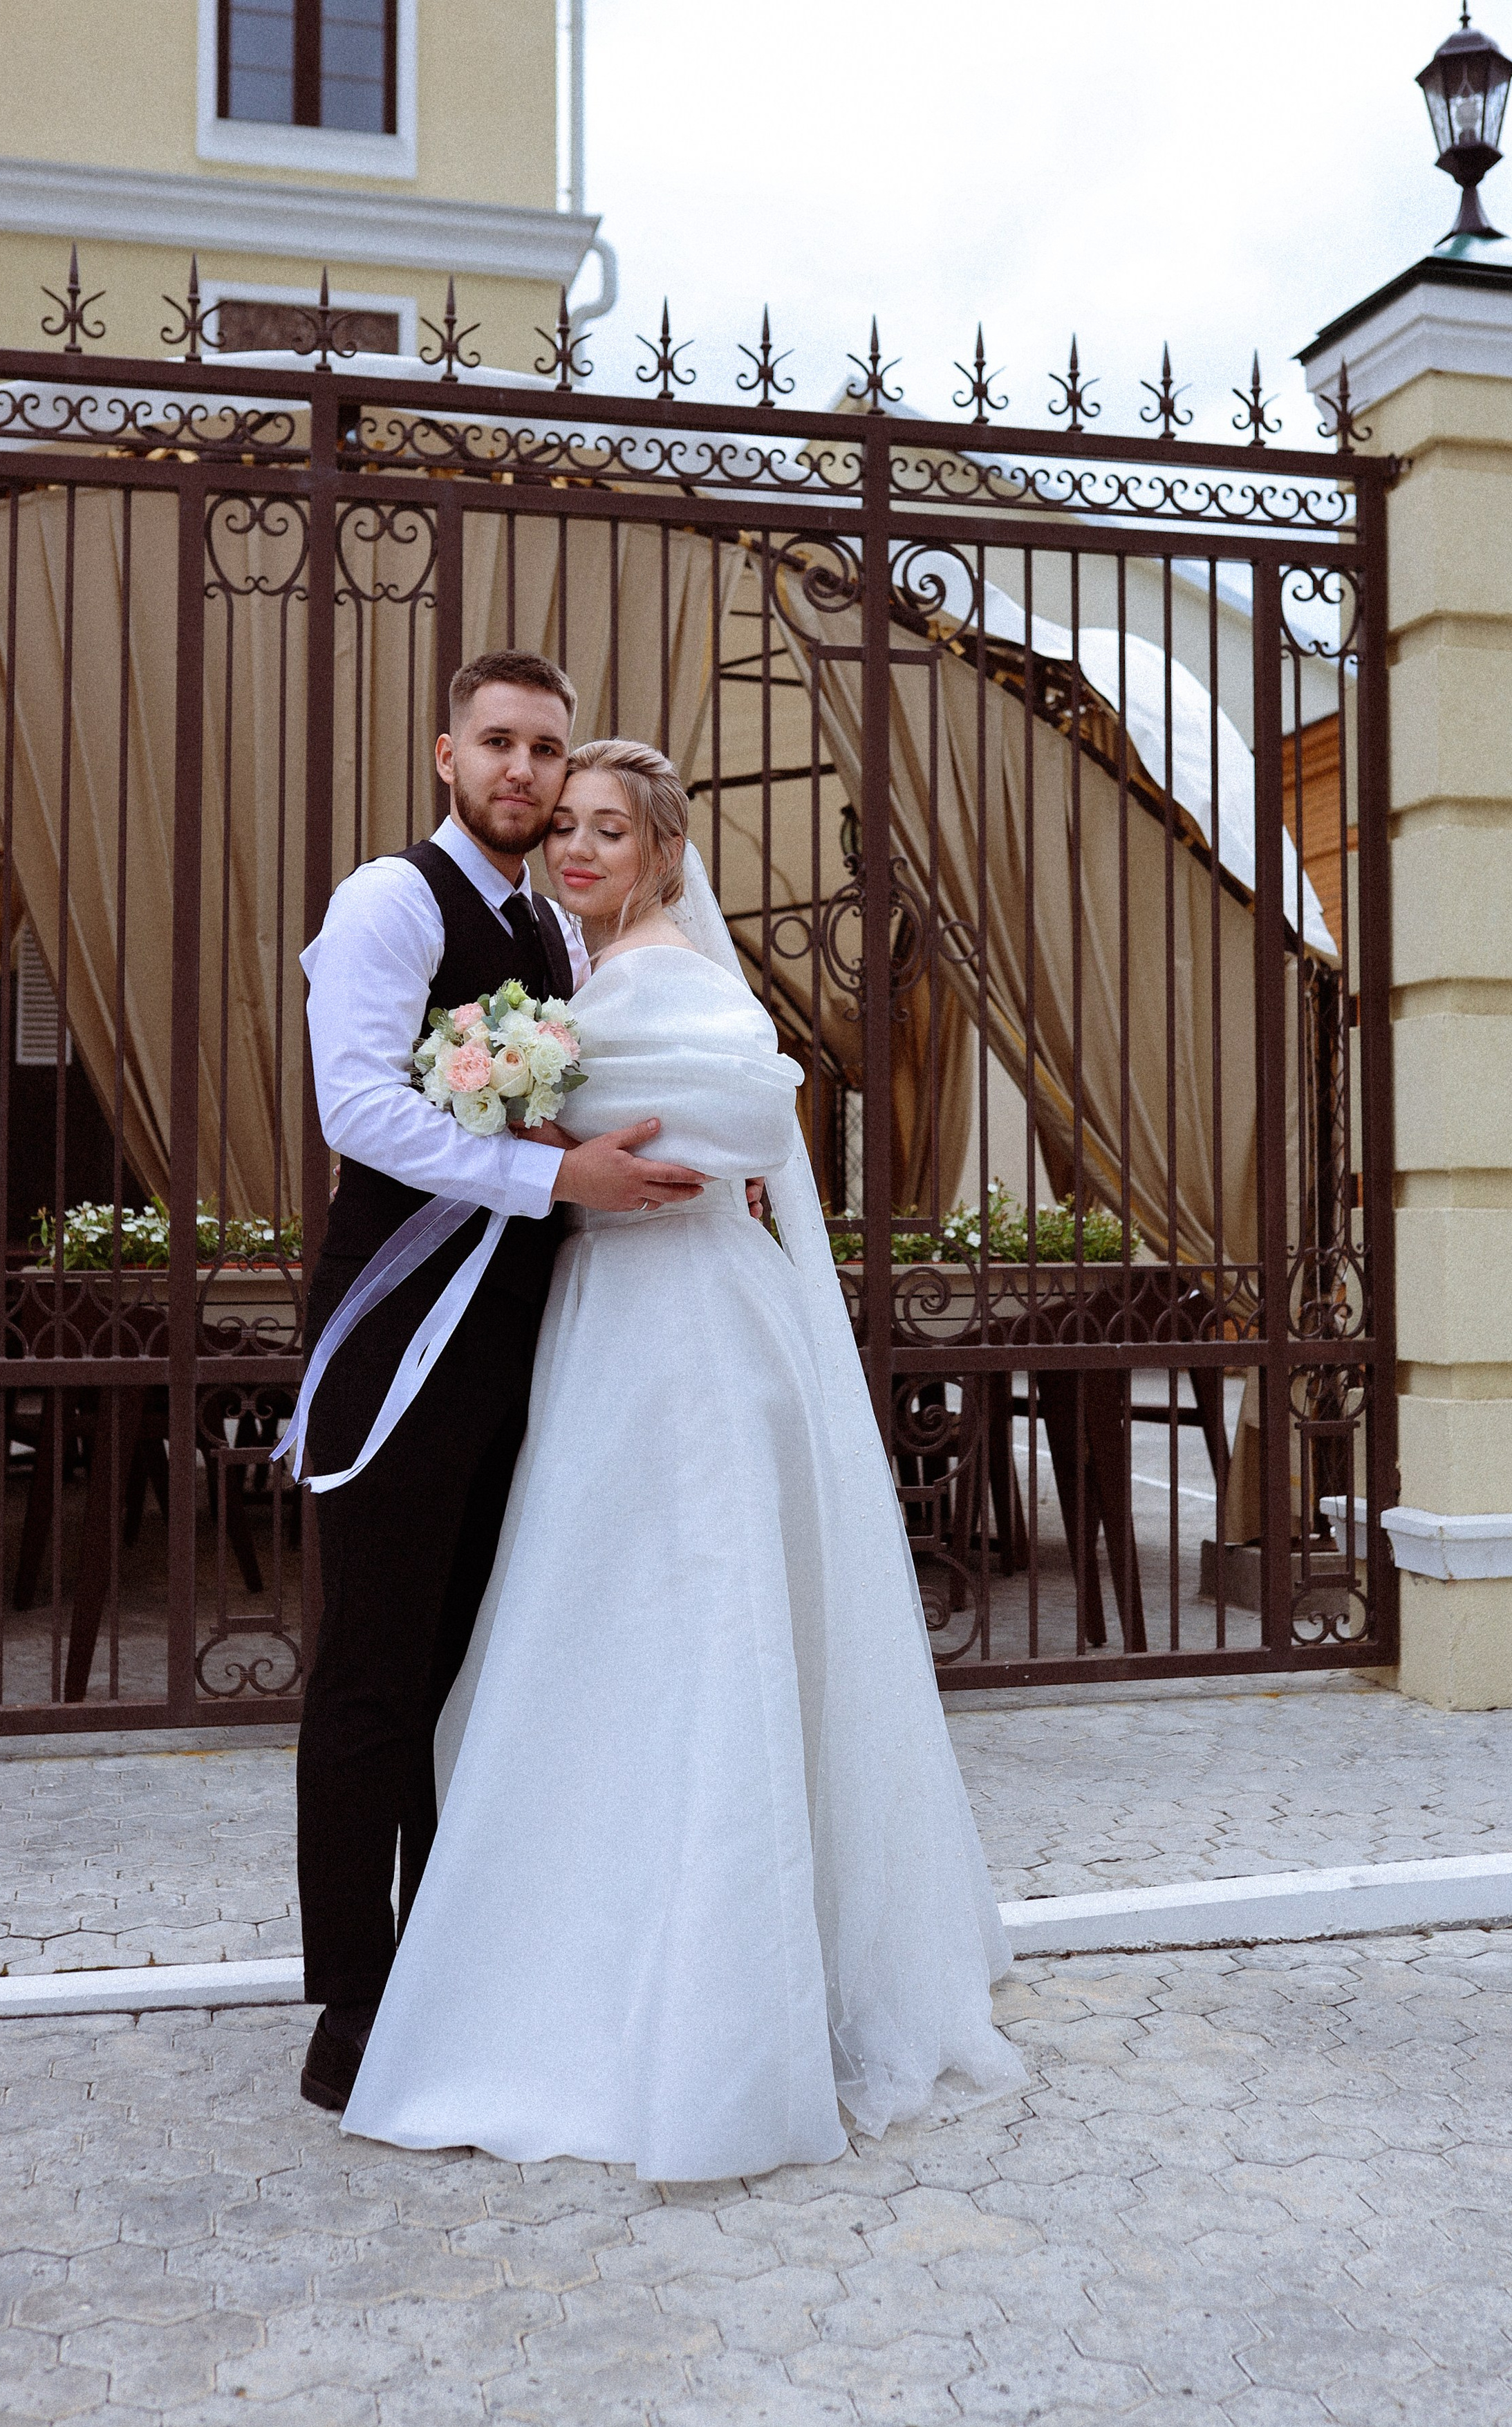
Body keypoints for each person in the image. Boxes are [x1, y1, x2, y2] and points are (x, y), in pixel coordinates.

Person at [341, 741, 1025, 2179]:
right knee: (599, 1636)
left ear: (661, 852)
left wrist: (537, 1123)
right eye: (566, 828)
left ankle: (700, 2002)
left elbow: (732, 1122)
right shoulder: (580, 983)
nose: (579, 849)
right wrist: (532, 1124)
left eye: (608, 829)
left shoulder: (648, 984)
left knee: (673, 1632)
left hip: (673, 1344)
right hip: (609, 1330)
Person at [292, 658, 713, 2116]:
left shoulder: (552, 923)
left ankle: (439, 1964)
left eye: (544, 746)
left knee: (457, 1669)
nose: (526, 771)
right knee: (370, 1669)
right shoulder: (391, 902)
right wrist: (552, 1173)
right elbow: (357, 1104)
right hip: (396, 1331)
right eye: (499, 744)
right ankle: (349, 2006)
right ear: (445, 754)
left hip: (514, 1344)